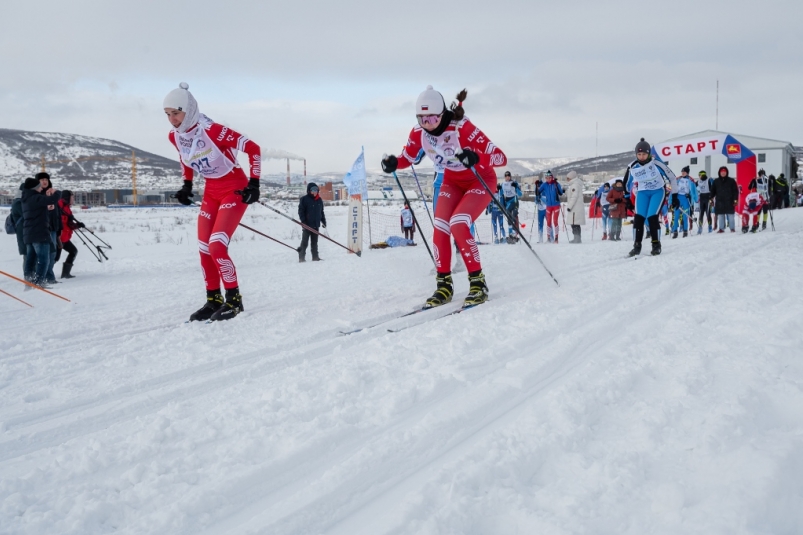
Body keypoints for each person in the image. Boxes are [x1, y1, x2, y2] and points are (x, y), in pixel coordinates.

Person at [381, 86, 507, 308]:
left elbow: (500, 157)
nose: (427, 124)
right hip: (452, 181)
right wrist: (394, 163)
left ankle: (478, 283)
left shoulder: (463, 128)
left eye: (432, 118)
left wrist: (476, 157)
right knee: (440, 228)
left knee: (458, 224)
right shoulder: (418, 132)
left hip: (480, 180)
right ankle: (444, 285)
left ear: (442, 114)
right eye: (422, 118)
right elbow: (407, 157)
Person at [164, 82, 262, 322]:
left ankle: (234, 300)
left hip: (234, 189)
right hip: (211, 191)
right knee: (204, 249)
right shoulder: (175, 136)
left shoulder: (213, 130)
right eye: (168, 115)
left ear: (189, 110)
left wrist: (254, 184)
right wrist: (187, 185)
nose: (172, 120)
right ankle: (213, 300)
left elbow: (254, 148)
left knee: (217, 246)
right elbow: (184, 159)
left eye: (176, 113)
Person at [624, 138, 678, 256]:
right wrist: (627, 198)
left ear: (648, 153)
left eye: (644, 154)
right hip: (643, 192)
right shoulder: (633, 167)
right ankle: (637, 245)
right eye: (639, 154)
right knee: (639, 218)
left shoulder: (656, 163)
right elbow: (626, 183)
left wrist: (675, 195)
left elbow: (672, 178)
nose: (642, 156)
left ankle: (656, 244)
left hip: (657, 191)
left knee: (652, 217)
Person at [21, 177, 60, 287]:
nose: (40, 188)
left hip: (30, 233)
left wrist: (46, 209)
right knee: (43, 260)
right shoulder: (35, 197)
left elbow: (35, 212)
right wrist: (57, 192)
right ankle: (39, 283)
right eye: (39, 186)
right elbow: (52, 199)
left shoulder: (27, 197)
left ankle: (29, 283)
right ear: (35, 188)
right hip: (39, 233)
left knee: (31, 259)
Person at [37, 173, 63, 284]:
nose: (44, 181)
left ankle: (49, 276)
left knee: (52, 253)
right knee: (44, 254)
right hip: (42, 229)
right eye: (42, 179)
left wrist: (59, 228)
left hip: (53, 228)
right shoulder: (38, 195)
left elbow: (57, 213)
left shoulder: (53, 194)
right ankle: (46, 277)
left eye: (46, 179)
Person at [298, 182, 327, 261]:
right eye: (313, 190)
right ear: (309, 191)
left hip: (316, 225)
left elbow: (321, 212)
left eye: (316, 190)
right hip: (307, 225)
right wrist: (303, 221)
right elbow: (301, 211)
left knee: (314, 243)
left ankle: (315, 257)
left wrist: (323, 221)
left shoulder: (319, 200)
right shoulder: (304, 199)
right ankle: (301, 257)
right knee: (305, 243)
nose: (314, 192)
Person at [58, 190, 84, 278]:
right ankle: (45, 276)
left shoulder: (67, 208)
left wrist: (77, 225)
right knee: (54, 258)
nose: (73, 199)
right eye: (72, 197)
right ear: (67, 198)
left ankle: (65, 274)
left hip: (65, 237)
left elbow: (69, 224)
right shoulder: (59, 207)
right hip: (58, 238)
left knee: (73, 251)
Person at [671, 166, 698, 239]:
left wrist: (695, 198)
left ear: (687, 173)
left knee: (685, 216)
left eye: (684, 172)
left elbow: (694, 190)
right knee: (675, 216)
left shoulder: (690, 180)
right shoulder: (677, 179)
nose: (683, 173)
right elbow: (672, 190)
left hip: (686, 199)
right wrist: (671, 200)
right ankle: (675, 231)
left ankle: (685, 231)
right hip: (678, 199)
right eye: (682, 172)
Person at [710, 166, 739, 233]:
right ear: (719, 173)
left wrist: (735, 200)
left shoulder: (731, 181)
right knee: (720, 216)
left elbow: (735, 191)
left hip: (729, 201)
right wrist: (711, 199)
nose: (723, 173)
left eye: (724, 172)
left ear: (726, 173)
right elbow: (712, 192)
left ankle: (732, 228)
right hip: (720, 201)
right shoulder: (716, 181)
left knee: (731, 216)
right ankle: (721, 228)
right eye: (722, 172)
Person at [539, 170, 564, 243]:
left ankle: (556, 238)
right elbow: (538, 192)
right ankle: (548, 238)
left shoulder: (556, 184)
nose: (548, 179)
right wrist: (537, 185)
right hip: (548, 205)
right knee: (548, 222)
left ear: (552, 177)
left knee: (555, 221)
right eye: (546, 178)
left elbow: (561, 193)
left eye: (549, 178)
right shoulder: (544, 184)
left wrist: (562, 190)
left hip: (556, 205)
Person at [9, 184, 27, 277]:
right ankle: (28, 280)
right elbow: (27, 214)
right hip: (23, 233)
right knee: (27, 256)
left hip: (26, 232)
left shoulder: (20, 201)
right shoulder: (18, 203)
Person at [500, 171, 522, 242]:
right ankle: (510, 234)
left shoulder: (514, 183)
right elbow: (501, 194)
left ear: (510, 176)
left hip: (514, 201)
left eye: (508, 176)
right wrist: (499, 189)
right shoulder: (503, 184)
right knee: (509, 217)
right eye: (506, 176)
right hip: (508, 202)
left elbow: (520, 194)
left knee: (514, 215)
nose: (507, 178)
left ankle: (515, 232)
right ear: (505, 177)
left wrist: (516, 187)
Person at [565, 171, 585, 243]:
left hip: (575, 209)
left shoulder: (574, 185)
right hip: (576, 208)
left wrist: (569, 206)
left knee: (574, 224)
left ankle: (577, 238)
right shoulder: (575, 184)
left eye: (568, 178)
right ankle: (577, 238)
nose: (567, 180)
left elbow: (574, 197)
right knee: (575, 224)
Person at [534, 179, 547, 243]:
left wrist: (541, 197)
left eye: (539, 186)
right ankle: (540, 239)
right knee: (540, 225)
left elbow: (547, 200)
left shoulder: (544, 191)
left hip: (546, 209)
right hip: (540, 210)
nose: (539, 188)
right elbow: (535, 201)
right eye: (538, 187)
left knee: (548, 223)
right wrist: (537, 199)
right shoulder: (537, 191)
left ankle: (550, 237)